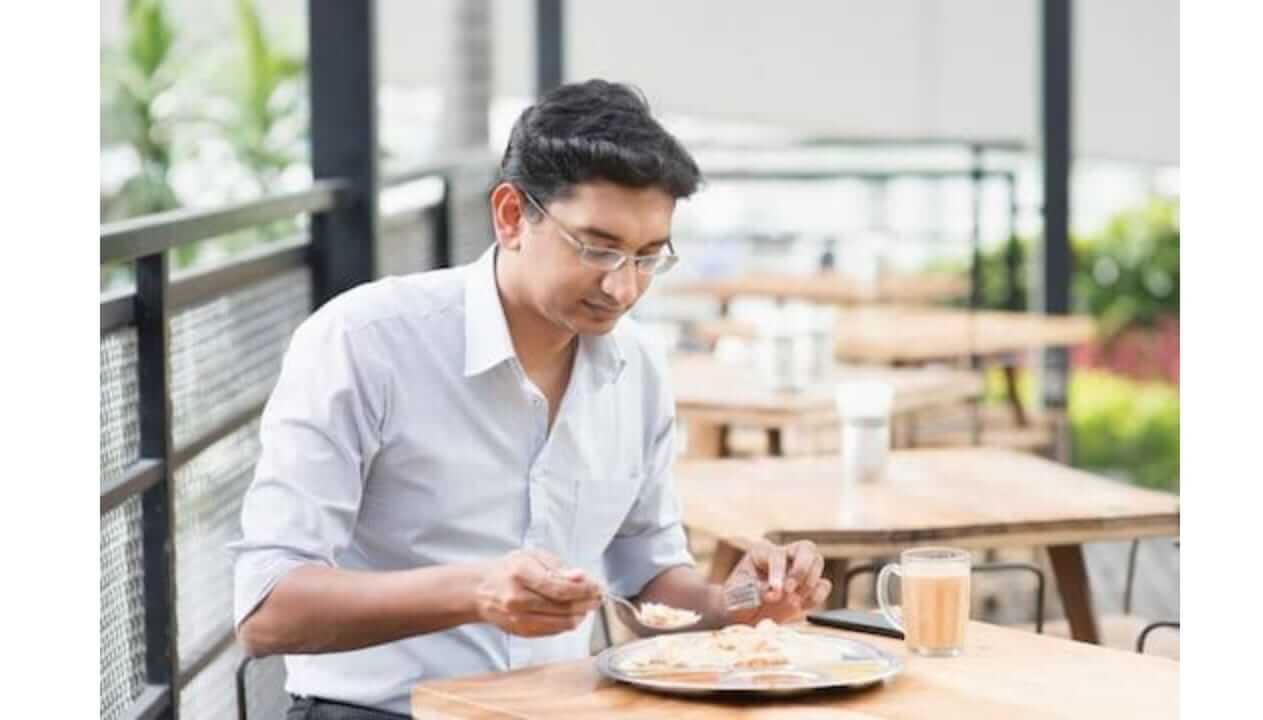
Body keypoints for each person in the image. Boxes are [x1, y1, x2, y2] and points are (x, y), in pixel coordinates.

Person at [231, 79, 832, 718]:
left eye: (648, 257)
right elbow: (266, 610)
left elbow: (648, 584)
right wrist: (475, 592)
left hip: (562, 708)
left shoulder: (637, 368)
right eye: (598, 249)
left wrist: (739, 602)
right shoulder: (364, 341)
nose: (624, 288)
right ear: (512, 216)